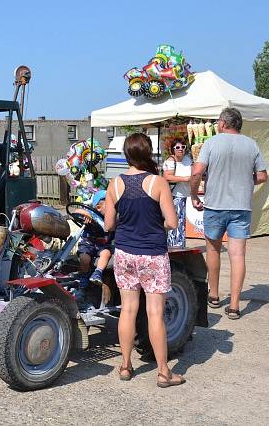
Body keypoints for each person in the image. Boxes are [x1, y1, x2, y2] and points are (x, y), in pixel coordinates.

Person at [104, 133, 184, 387]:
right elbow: (172, 222)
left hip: (125, 253)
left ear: (127, 155)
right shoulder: (158, 182)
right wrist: (153, 224)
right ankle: (163, 372)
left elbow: (108, 224)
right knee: (155, 313)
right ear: (148, 154)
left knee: (128, 310)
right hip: (153, 254)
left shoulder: (114, 184)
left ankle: (126, 366)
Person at [189, 108, 268, 320]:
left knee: (213, 251)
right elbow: (262, 176)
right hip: (241, 206)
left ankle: (213, 295)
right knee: (238, 255)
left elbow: (197, 172)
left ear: (223, 123)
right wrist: (245, 180)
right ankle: (234, 305)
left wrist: (194, 194)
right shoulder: (251, 144)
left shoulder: (212, 143)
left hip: (215, 205)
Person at [77, 190, 113, 286]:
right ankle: (84, 276)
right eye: (110, 206)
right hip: (88, 243)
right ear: (98, 207)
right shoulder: (92, 215)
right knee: (84, 258)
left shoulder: (111, 218)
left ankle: (97, 273)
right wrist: (86, 214)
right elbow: (77, 211)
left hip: (103, 245)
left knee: (106, 253)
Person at [162, 136, 192, 249]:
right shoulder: (170, 161)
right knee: (175, 222)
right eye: (177, 147)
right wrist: (185, 179)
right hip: (174, 196)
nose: (181, 149)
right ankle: (173, 247)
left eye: (183, 147)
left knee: (181, 223)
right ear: (173, 149)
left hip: (185, 196)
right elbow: (167, 177)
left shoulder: (188, 160)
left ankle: (180, 246)